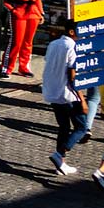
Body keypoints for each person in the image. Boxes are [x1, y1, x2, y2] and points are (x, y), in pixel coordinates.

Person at [42, 19, 89, 175]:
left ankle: (60, 164)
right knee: (81, 127)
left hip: (52, 92)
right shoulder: (72, 46)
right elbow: (72, 76)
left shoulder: (53, 44)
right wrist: (82, 100)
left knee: (63, 127)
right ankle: (59, 154)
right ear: (71, 32)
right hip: (68, 94)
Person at [5, 0, 45, 76]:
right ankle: (8, 67)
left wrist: (41, 13)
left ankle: (24, 67)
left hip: (34, 14)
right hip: (20, 14)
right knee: (16, 42)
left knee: (28, 42)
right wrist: (12, 10)